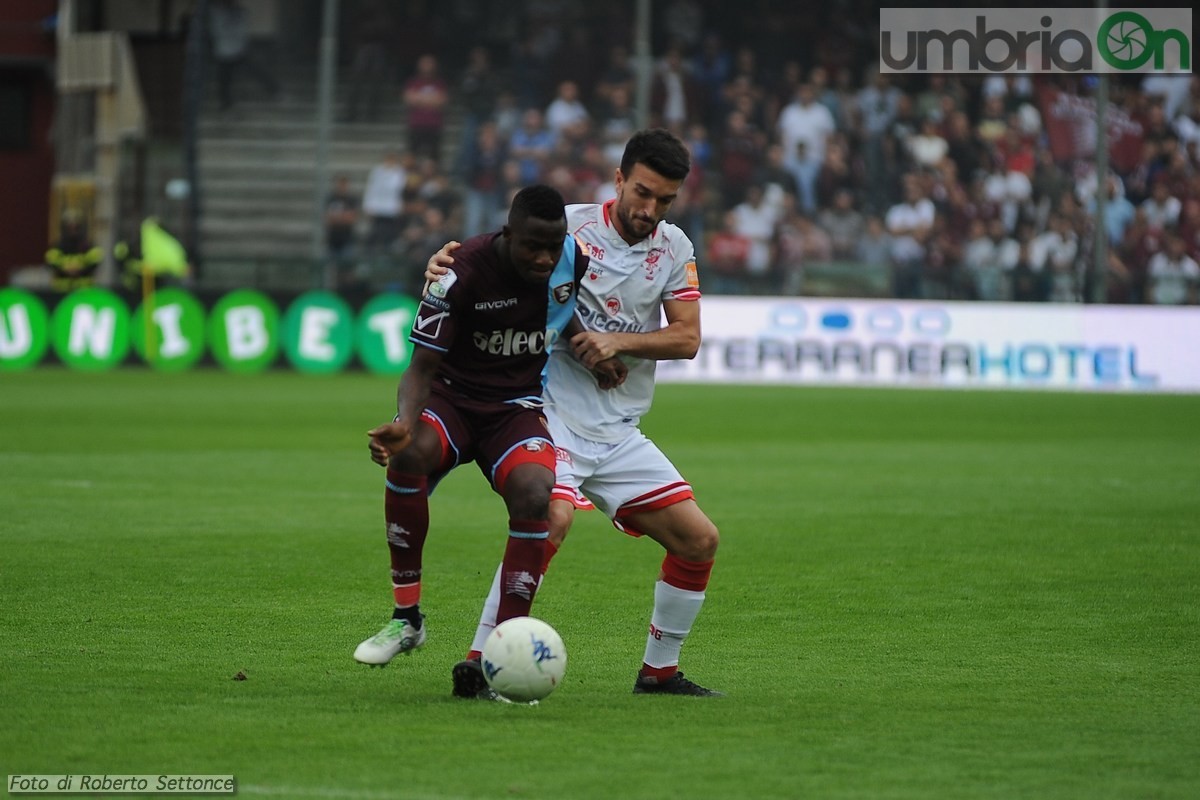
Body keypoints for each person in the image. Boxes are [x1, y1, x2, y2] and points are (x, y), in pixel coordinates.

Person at [426, 129, 723, 698]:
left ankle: (658, 673)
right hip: (549, 415)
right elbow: (486, 262)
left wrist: (618, 344)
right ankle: (479, 658)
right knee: (553, 518)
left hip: (617, 430)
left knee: (699, 540)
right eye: (642, 192)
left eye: (665, 200)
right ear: (618, 179)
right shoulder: (567, 229)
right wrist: (441, 261)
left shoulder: (675, 248)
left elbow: (686, 339)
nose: (650, 209)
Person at [353, 185, 625, 679]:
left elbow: (558, 311)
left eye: (553, 245)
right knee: (411, 454)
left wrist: (585, 344)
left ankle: (506, 645)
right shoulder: (457, 274)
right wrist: (403, 423)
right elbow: (421, 367)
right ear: (507, 234)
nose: (545, 258)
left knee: (535, 491)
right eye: (532, 247)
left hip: (515, 409)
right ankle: (406, 618)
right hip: (453, 400)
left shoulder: (571, 259)